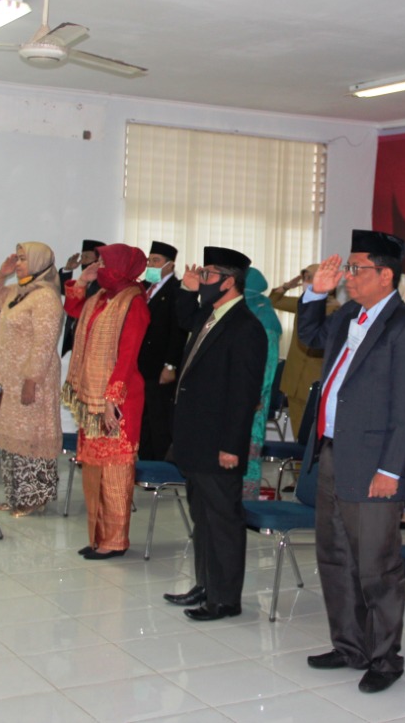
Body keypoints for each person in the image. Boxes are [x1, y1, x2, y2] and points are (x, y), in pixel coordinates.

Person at [298, 230, 405, 695]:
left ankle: (384, 657)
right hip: (333, 452)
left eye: (356, 269)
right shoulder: (347, 316)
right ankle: (349, 645)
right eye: (348, 269)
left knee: (377, 565)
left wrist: (391, 471)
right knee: (335, 556)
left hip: (375, 463)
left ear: (385, 276)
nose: (348, 277)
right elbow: (310, 336)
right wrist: (315, 293)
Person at [163, 247, 267, 621]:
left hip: (219, 444)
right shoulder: (209, 315)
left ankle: (225, 599)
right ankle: (206, 585)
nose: (202, 280)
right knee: (203, 518)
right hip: (196, 440)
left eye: (208, 275)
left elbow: (244, 395)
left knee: (223, 521)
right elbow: (183, 317)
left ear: (229, 281)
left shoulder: (246, 327)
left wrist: (231, 446)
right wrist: (187, 289)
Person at [62, 244, 150, 559]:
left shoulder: (134, 302)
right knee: (93, 471)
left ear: (120, 267)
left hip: (119, 401)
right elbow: (74, 310)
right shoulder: (101, 297)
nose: (99, 266)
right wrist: (82, 281)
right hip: (93, 399)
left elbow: (128, 354)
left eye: (103, 262)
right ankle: (97, 536)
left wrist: (113, 397)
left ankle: (114, 540)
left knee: (115, 472)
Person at [0, 242, 65, 517]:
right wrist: (1, 273)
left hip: (32, 378)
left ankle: (35, 497)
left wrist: (32, 380)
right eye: (17, 259)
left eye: (22, 259)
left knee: (32, 436)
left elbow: (44, 343)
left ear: (39, 263)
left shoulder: (46, 298)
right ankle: (16, 494)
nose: (17, 264)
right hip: (8, 379)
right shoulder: (17, 292)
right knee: (12, 438)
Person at [270, 264, 337, 434]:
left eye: (310, 278)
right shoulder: (304, 304)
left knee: (311, 432)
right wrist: (287, 286)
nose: (306, 282)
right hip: (294, 380)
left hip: (314, 380)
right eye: (305, 278)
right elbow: (274, 301)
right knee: (297, 431)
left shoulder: (337, 310)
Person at [136, 240, 186, 461]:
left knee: (159, 419)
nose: (151, 265)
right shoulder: (145, 287)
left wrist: (170, 365)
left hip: (160, 366)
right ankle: (145, 463)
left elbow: (178, 332)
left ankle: (160, 467)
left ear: (170, 265)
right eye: (149, 260)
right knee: (142, 417)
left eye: (156, 261)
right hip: (141, 364)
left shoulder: (176, 290)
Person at [243, 267, 283, 500]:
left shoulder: (265, 316)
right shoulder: (241, 311)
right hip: (233, 395)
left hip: (253, 398)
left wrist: (256, 395)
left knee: (247, 452)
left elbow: (268, 365)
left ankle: (248, 502)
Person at [59, 240, 105, 357]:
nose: (83, 261)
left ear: (97, 261)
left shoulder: (102, 285)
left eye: (87, 257)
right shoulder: (84, 280)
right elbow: (67, 293)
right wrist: (68, 269)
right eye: (82, 257)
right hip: (72, 334)